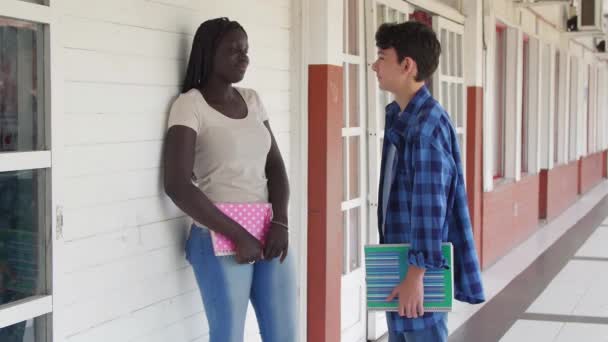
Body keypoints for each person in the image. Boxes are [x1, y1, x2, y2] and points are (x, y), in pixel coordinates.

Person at [163, 17, 295, 342]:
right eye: (233, 50)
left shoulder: (252, 100)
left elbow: (275, 166)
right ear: (209, 53)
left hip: (267, 227)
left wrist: (281, 221)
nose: (244, 57)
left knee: (284, 334)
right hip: (216, 236)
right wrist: (237, 234)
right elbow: (177, 184)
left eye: (246, 50)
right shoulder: (189, 105)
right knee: (228, 336)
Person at [372, 21, 485, 341]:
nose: (374, 65)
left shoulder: (425, 127)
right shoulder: (403, 115)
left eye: (382, 57)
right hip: (404, 260)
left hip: (417, 270)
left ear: (407, 65)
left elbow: (430, 205)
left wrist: (415, 275)